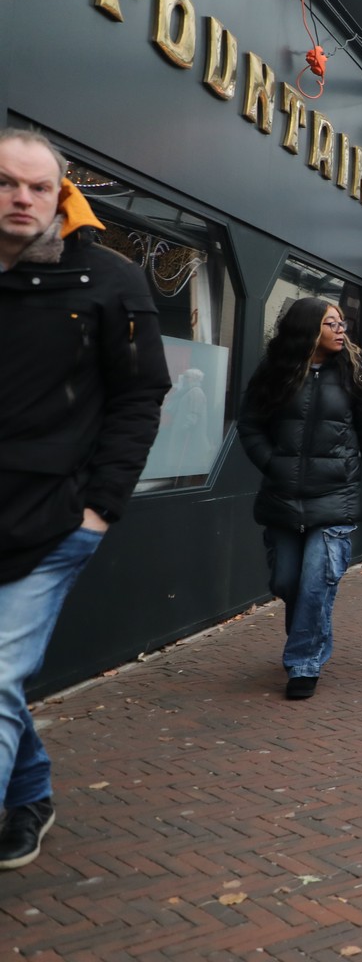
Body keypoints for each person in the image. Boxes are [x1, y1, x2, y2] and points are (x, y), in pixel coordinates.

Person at [0, 129, 170, 871]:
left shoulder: (109, 278)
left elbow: (140, 395)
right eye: (6, 182)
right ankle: (31, 793)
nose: (22, 198)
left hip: (56, 515)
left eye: (38, 186)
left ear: (61, 192)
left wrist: (100, 508)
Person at [237, 297, 362, 701]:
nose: (341, 330)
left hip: (335, 496)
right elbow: (250, 425)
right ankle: (308, 642)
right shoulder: (275, 372)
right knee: (286, 582)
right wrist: (273, 463)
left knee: (314, 584)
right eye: (331, 323)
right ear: (308, 329)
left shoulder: (355, 373)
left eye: (342, 323)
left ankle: (304, 662)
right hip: (283, 497)